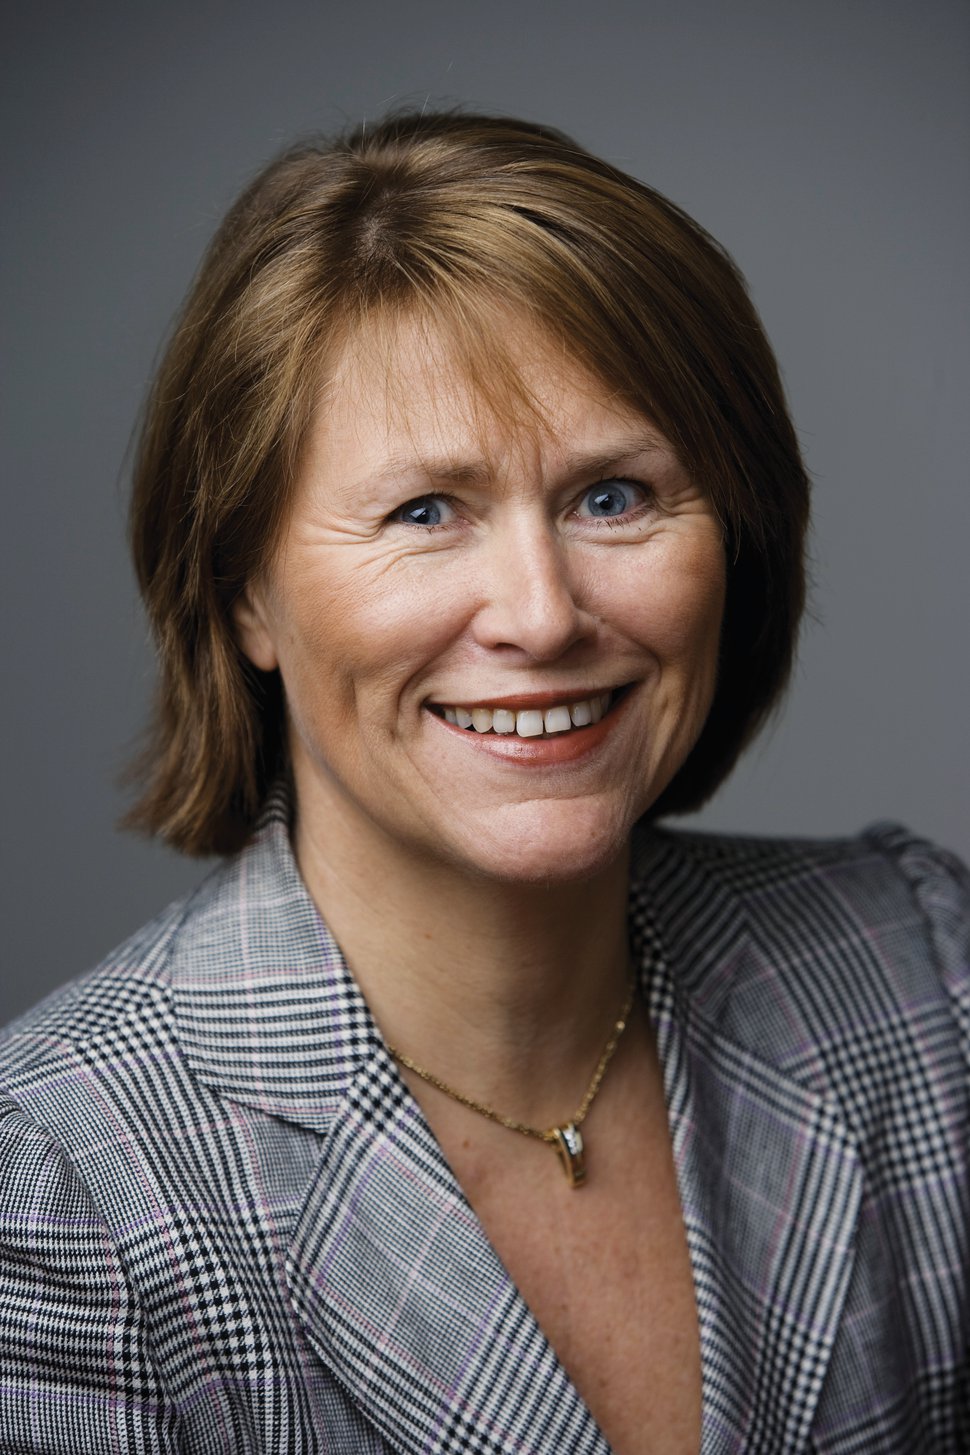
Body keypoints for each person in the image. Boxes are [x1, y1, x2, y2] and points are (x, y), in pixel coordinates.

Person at [0, 111, 967, 1455]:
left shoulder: (922, 980)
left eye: (612, 497)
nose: (542, 614)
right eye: (425, 512)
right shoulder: (59, 1186)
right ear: (244, 595)